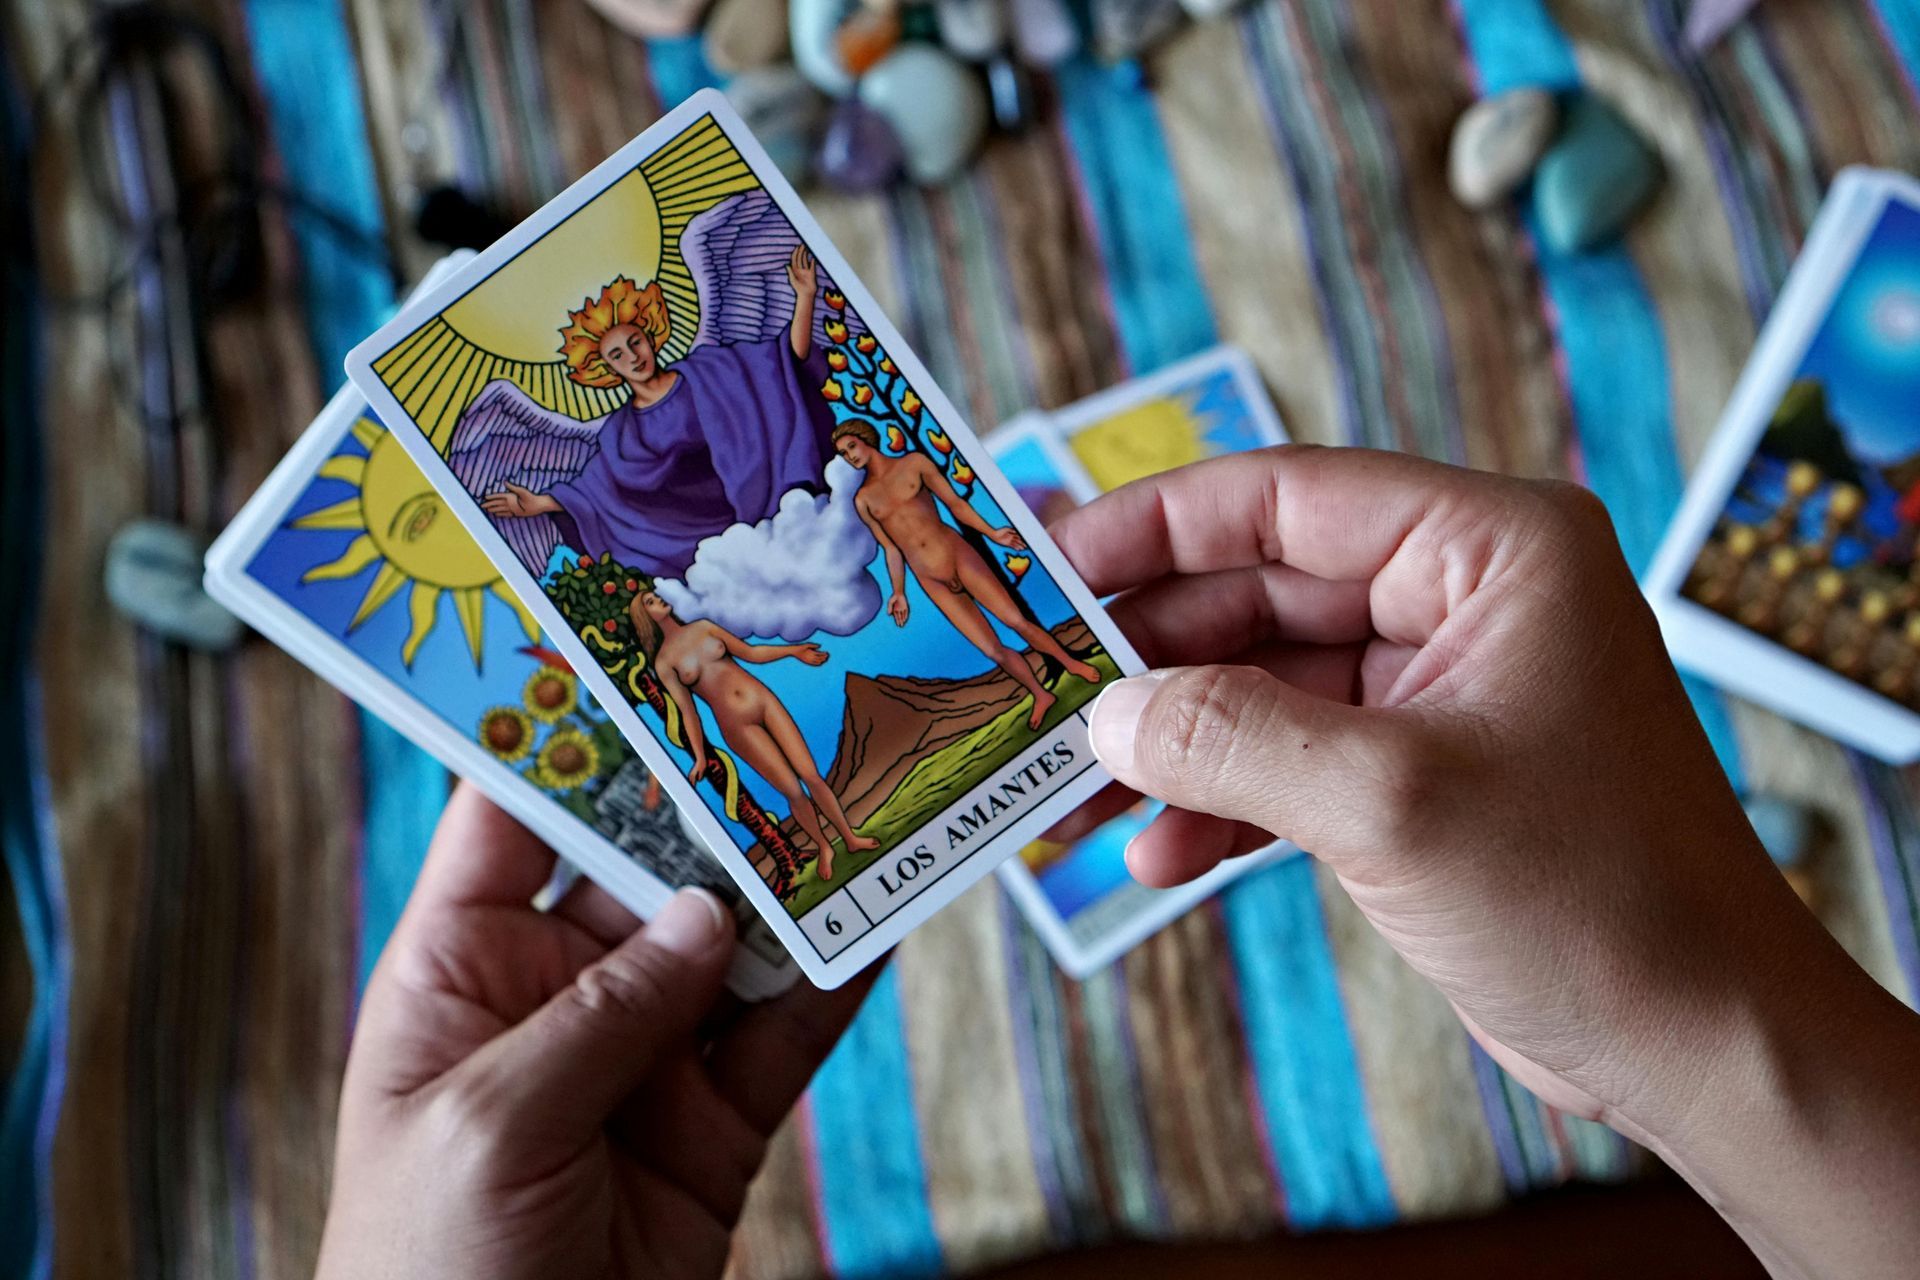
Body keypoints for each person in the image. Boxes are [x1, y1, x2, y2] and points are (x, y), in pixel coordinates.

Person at [316, 447, 1920, 1280]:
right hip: (777, 744)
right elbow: (726, 686)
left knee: (951, 686)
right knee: (816, 782)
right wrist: (1704, 1050)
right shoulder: (690, 644)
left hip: (903, 668)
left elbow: (853, 594)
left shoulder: (865, 508)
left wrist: (1696, 1049)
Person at [478, 248, 836, 579]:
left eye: (635, 341)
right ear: (604, 370)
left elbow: (783, 364)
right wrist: (539, 503)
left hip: (771, 507)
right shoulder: (621, 433)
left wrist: (805, 296)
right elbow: (598, 490)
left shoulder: (711, 369)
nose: (633, 357)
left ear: (652, 334)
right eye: (617, 355)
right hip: (699, 546)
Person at [833, 419, 1103, 730]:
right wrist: (899, 592)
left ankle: (1071, 664)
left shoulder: (914, 463)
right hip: (928, 577)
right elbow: (891, 549)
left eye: (852, 446)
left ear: (867, 439)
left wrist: (992, 533)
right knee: (991, 649)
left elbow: (955, 504)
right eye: (844, 453)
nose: (850, 456)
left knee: (1016, 621)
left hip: (957, 555)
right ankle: (1040, 694)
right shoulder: (864, 500)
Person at [629, 588, 878, 881]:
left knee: (811, 775)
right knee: (792, 790)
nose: (658, 599)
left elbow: (751, 653)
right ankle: (825, 847)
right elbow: (688, 712)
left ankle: (849, 837)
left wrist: (793, 651)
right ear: (644, 617)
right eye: (650, 602)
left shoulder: (703, 627)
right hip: (736, 725)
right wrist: (699, 756)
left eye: (654, 596)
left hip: (763, 701)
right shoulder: (664, 663)